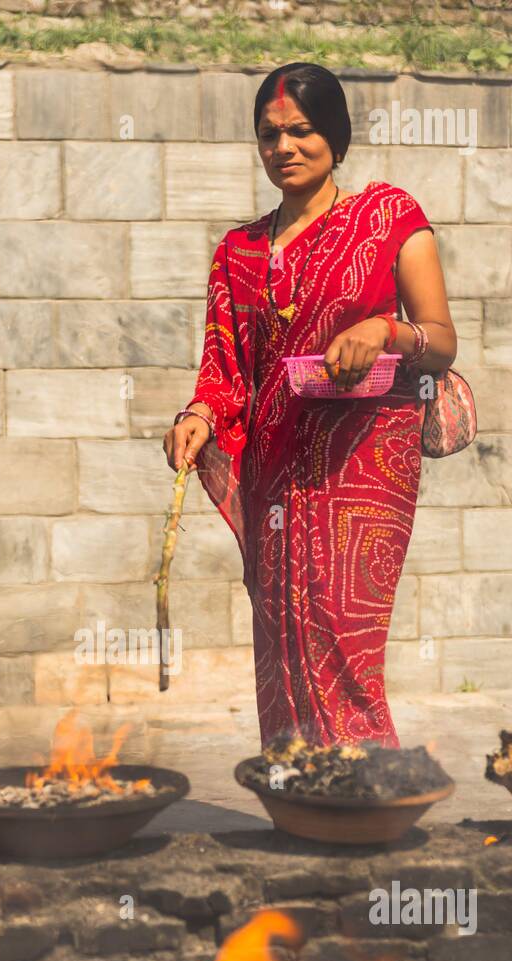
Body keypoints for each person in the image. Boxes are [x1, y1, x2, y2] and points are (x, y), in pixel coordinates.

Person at [163, 62, 457, 749]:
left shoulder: (388, 216)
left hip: (362, 464)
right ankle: (299, 795)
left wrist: (384, 330)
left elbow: (439, 343)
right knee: (281, 639)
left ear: (333, 135)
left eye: (300, 131)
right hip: (275, 467)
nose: (284, 147)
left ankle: (369, 792)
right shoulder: (236, 252)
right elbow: (223, 373)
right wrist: (198, 417)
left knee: (339, 630)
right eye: (269, 135)